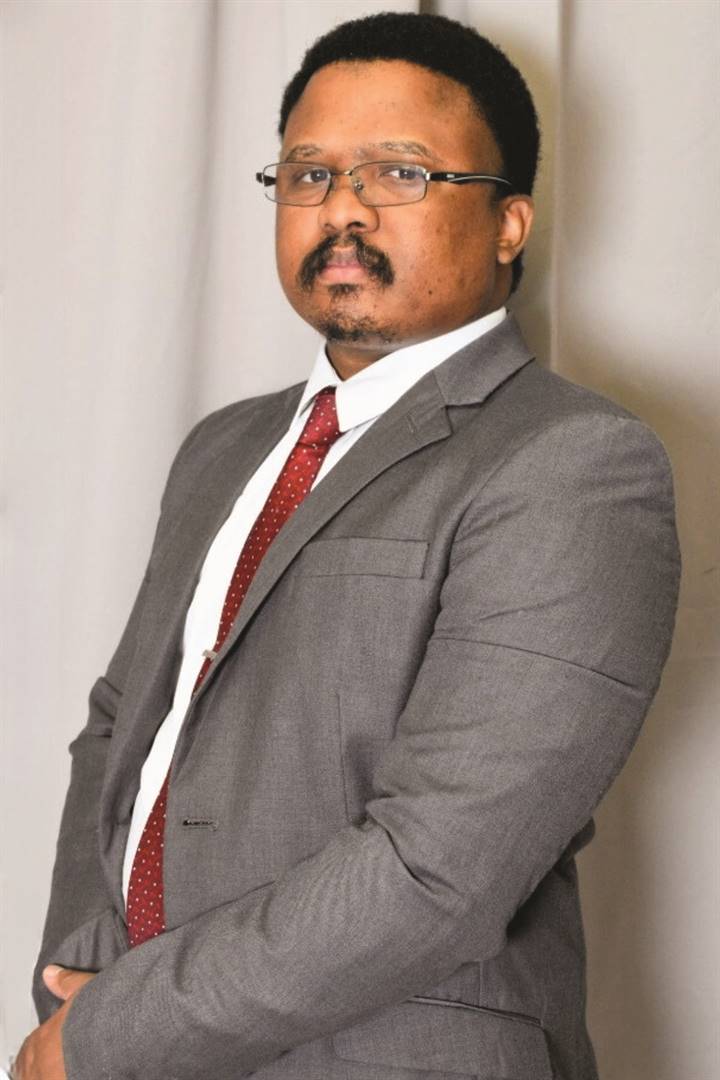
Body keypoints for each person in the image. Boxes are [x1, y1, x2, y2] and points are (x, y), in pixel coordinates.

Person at [16, 11, 680, 1080]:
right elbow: (122, 730)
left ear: (510, 223)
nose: (343, 209)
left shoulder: (573, 463)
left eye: (401, 174)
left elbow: (440, 868)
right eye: (309, 173)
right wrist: (80, 986)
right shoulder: (224, 448)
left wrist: (117, 1033)